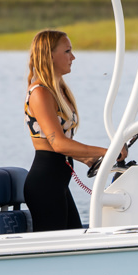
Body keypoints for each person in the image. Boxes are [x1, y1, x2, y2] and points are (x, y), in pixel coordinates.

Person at [23, 30, 112, 232]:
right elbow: (58, 143)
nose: (73, 57)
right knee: (54, 255)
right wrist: (106, 151)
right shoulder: (40, 93)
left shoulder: (57, 90)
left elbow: (58, 143)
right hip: (45, 184)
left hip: (57, 182)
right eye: (67, 51)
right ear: (50, 55)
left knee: (73, 243)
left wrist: (87, 159)